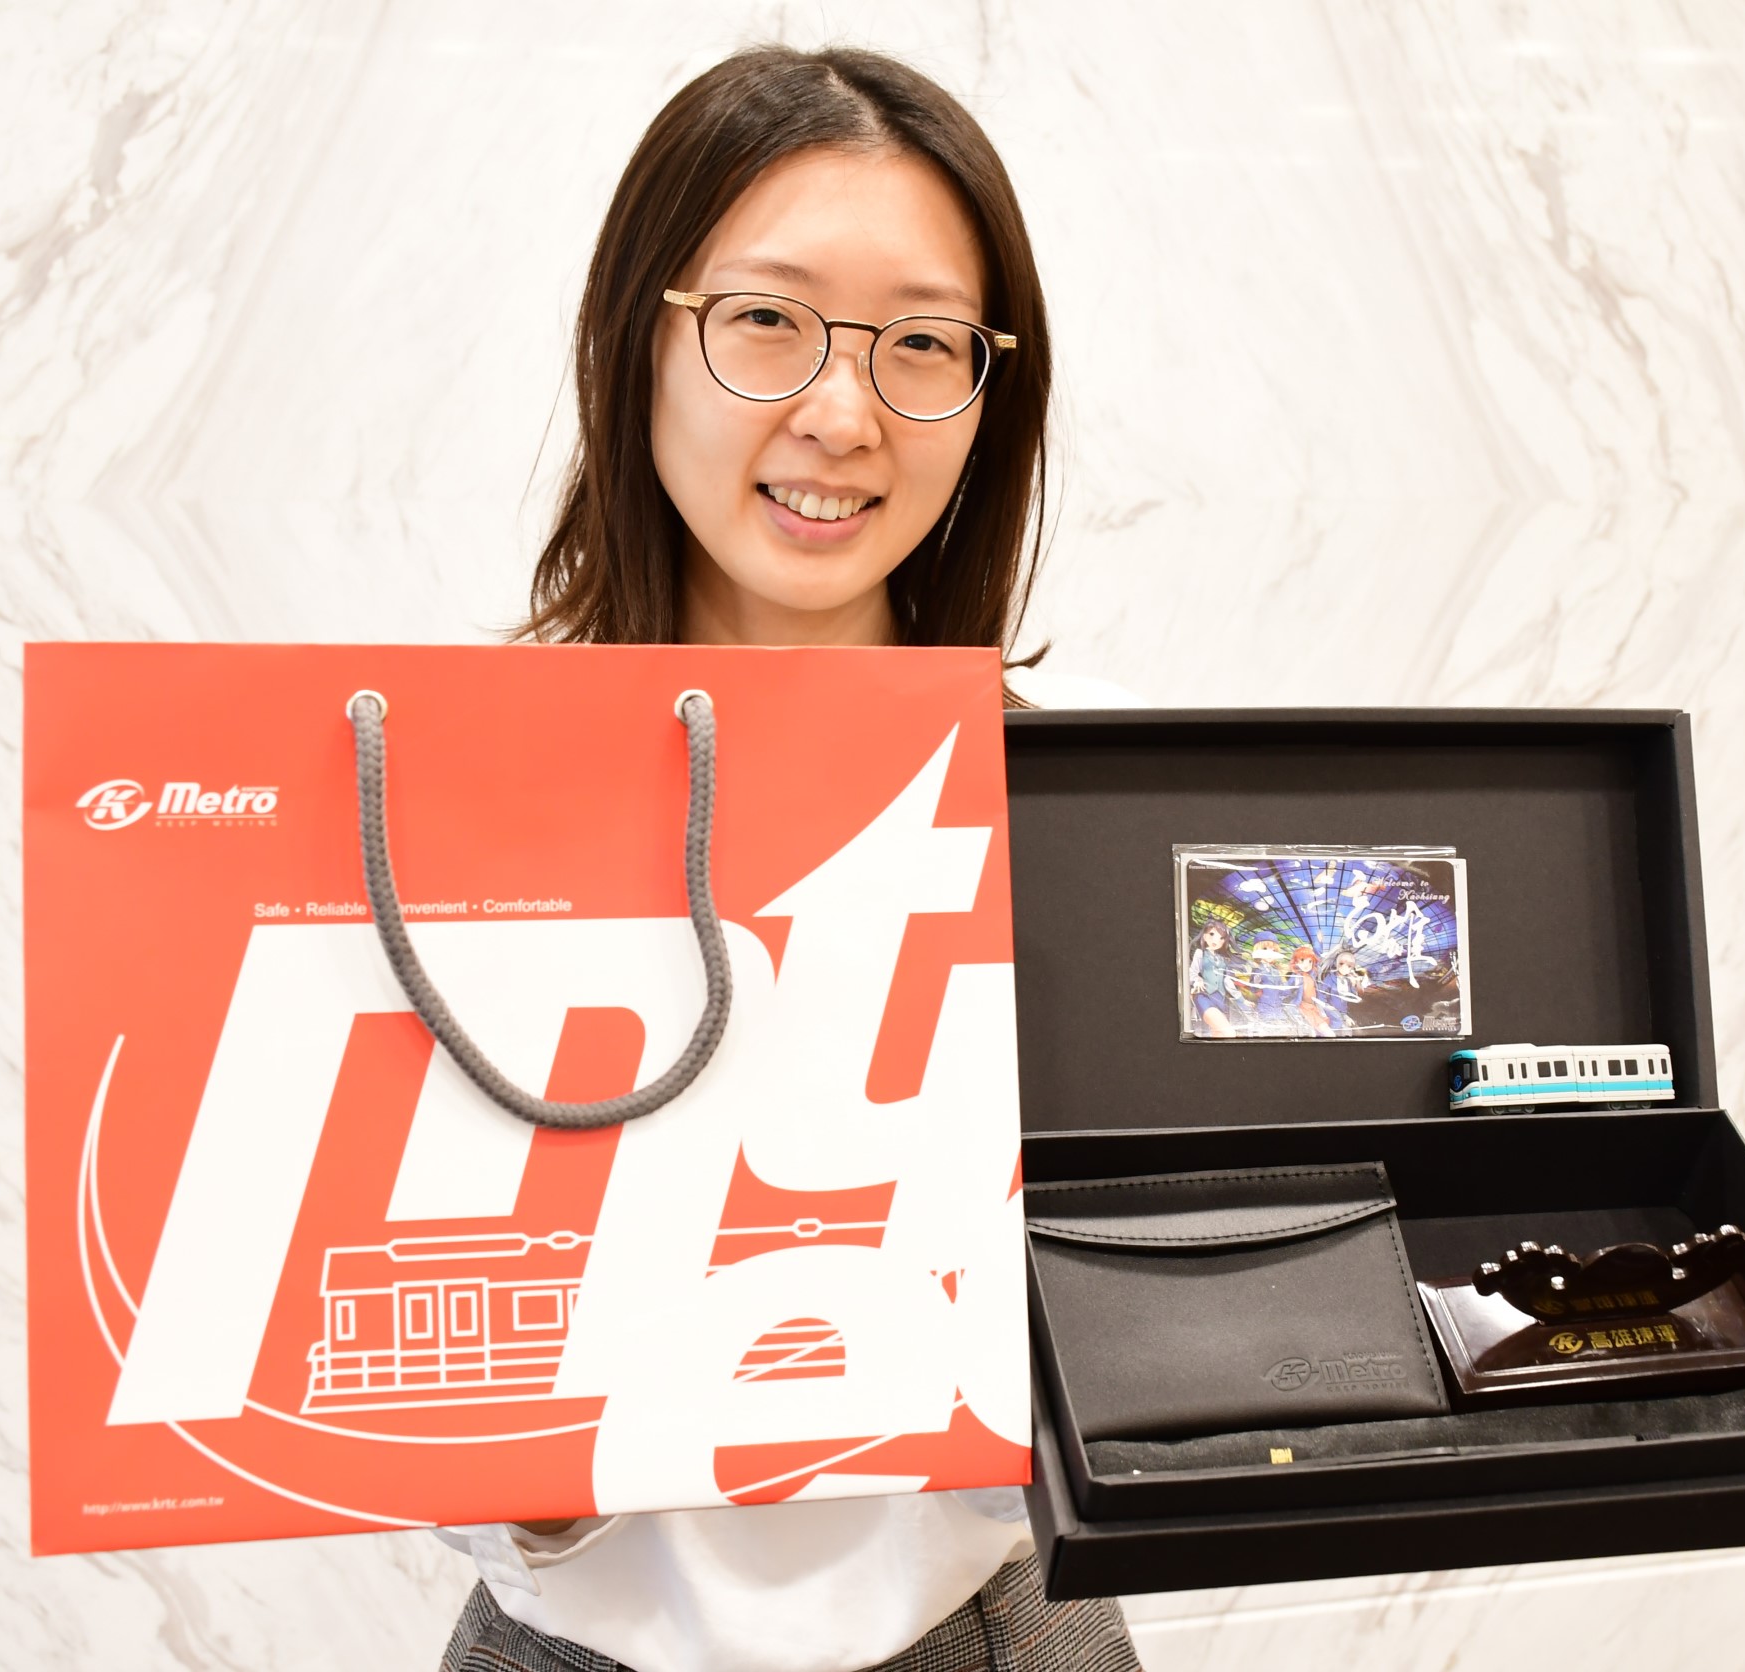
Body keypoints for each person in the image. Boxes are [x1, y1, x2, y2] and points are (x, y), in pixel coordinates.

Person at [435, 44, 1141, 1672]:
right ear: (638, 334)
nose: (841, 414)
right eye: (768, 319)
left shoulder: (1075, 809)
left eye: (922, 343)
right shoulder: (447, 798)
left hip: (1003, 1631)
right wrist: (509, 1466)